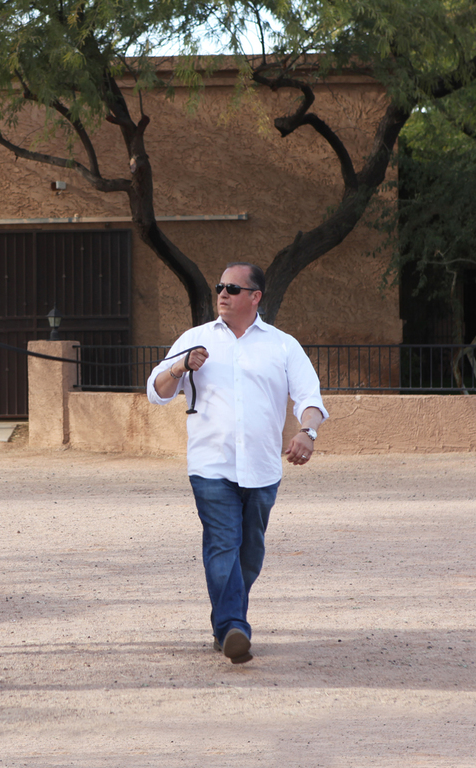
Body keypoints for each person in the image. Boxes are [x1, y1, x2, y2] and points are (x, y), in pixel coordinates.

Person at [147, 262, 326, 664]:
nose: (222, 294)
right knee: (222, 544)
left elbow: (310, 399)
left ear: (255, 297)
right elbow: (156, 390)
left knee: (250, 554)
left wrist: (306, 433)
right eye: (219, 287)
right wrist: (179, 366)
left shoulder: (282, 345)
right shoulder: (195, 339)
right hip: (210, 465)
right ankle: (234, 627)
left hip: (262, 469)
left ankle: (223, 625)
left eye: (232, 288)